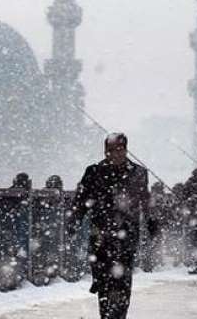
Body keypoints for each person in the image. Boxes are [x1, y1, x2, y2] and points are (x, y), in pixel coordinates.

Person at [68, 133, 154, 319]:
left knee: (122, 281)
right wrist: (74, 220)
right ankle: (106, 308)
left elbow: (145, 200)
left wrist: (151, 220)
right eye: (111, 150)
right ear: (105, 152)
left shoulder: (138, 173)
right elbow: (81, 201)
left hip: (127, 236)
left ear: (125, 150)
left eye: (119, 150)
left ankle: (118, 314)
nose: (115, 154)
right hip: (101, 236)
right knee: (104, 279)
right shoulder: (93, 172)